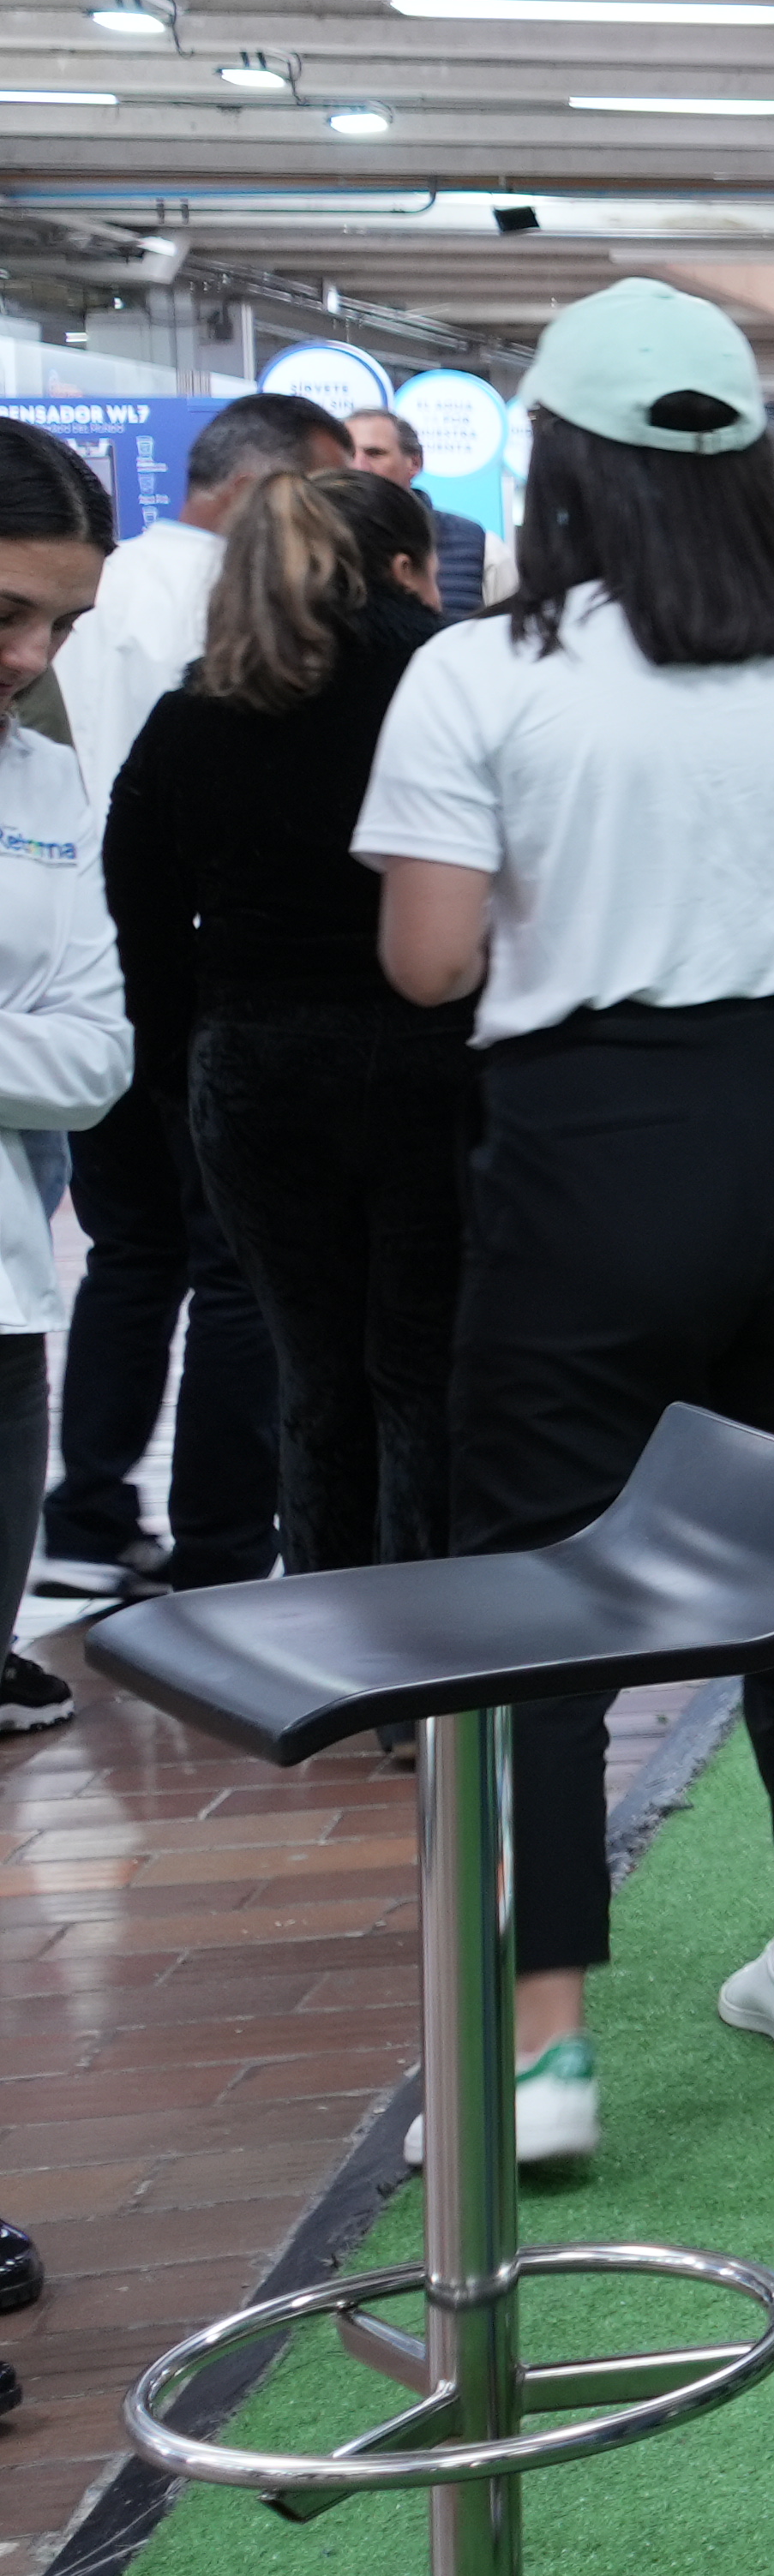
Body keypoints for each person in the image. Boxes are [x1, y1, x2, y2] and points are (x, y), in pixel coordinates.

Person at [355, 286, 774, 2175]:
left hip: (589, 1144)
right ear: (753, 463)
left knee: (544, 1589)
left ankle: (546, 2048)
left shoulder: (480, 670)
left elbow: (432, 955)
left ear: (554, 465)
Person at [104, 467, 465, 1594]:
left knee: (312, 1365)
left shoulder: (191, 711)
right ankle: (433, 1657)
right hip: (425, 1054)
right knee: (422, 1362)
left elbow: (140, 904)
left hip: (253, 1066)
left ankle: (329, 1627)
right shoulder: (427, 678)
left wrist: (178, 1069)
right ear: (382, 561)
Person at [33, 392, 338, 1601]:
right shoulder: (229, 604)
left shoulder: (94, 593)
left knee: (128, 1256)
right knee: (234, 1272)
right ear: (260, 485)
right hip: (198, 983)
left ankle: (92, 1509)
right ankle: (220, 1546)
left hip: (77, 975)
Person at [0, 419, 141, 1741]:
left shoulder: (49, 784)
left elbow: (95, 1059)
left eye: (61, 627)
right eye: (4, 613)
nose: (31, 659)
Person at [344, 407, 487, 614]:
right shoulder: (318, 542)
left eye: (375, 454)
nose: (359, 466)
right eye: (349, 454)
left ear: (415, 463)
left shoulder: (477, 544)